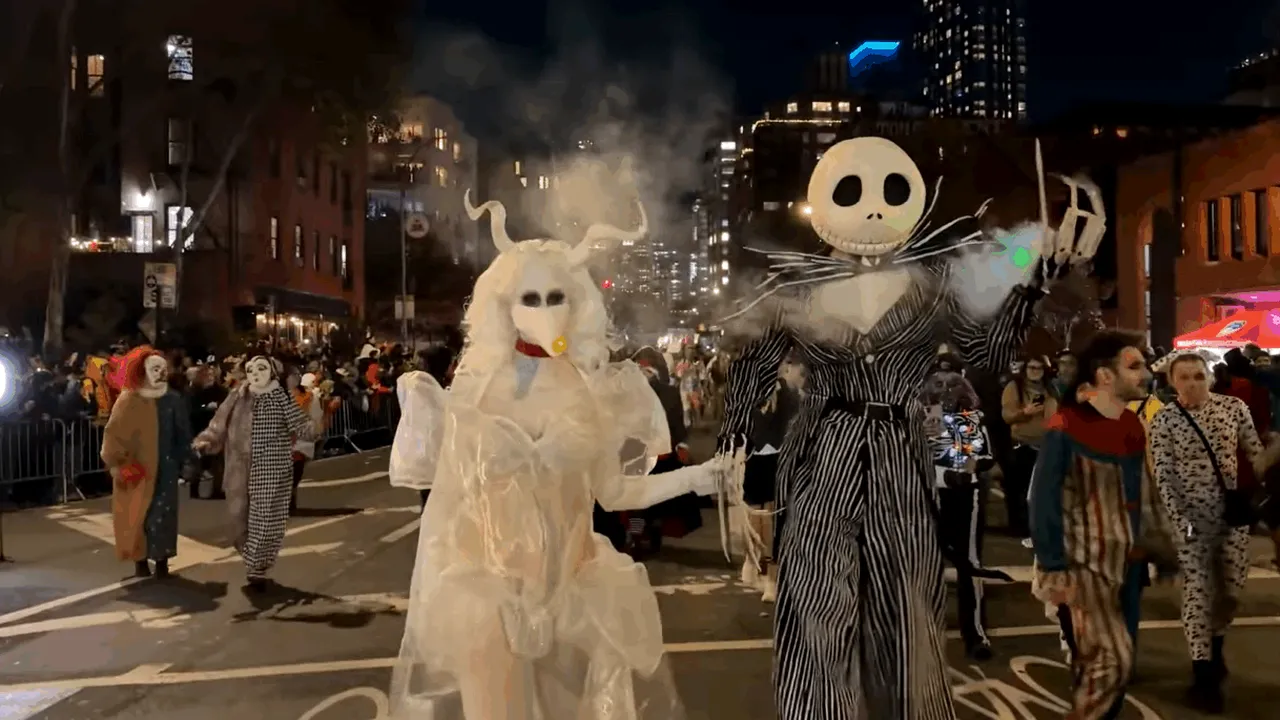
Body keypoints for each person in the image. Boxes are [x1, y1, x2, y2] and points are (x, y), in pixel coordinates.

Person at [716, 137, 1105, 720]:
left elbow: (986, 351)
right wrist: (733, 434)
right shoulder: (795, 287)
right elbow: (755, 360)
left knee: (906, 601)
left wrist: (1033, 285)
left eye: (889, 192)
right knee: (816, 598)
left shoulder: (935, 283)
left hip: (900, 451)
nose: (874, 208)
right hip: (822, 448)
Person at [385, 191, 716, 718]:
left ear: (577, 301)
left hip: (574, 598)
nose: (543, 310)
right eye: (529, 298)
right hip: (487, 596)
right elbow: (446, 503)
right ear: (505, 304)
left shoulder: (595, 391)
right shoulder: (474, 389)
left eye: (555, 297)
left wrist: (697, 478)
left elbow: (616, 492)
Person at [1029, 330, 1174, 720]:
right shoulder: (1066, 426)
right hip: (1083, 565)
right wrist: (1053, 565)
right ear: (1105, 375)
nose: (1146, 374)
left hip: (1127, 564)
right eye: (1134, 366)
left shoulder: (1130, 426)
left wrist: (1158, 544)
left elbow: (1144, 493)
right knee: (1112, 661)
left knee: (1106, 666)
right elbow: (1043, 500)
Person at [1149, 352, 1265, 713]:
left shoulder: (1233, 408)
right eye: (1184, 377)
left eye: (1198, 376)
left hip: (1231, 516)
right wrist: (1180, 521)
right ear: (1172, 382)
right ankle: (1203, 673)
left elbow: (1256, 454)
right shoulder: (1165, 419)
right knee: (1199, 590)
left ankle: (1215, 645)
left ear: (1210, 378)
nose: (1192, 384)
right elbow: (1163, 475)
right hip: (1190, 519)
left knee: (1229, 590)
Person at [193, 355, 316, 591]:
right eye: (251, 369)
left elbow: (301, 426)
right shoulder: (237, 396)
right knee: (238, 520)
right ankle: (253, 559)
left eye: (261, 368)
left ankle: (257, 565)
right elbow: (218, 424)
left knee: (265, 518)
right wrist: (205, 442)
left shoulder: (280, 397)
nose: (256, 373)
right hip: (239, 468)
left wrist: (314, 426)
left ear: (272, 373)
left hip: (272, 468)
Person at [919, 353, 995, 660]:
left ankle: (975, 633)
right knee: (924, 564)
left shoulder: (970, 417)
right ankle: (923, 633)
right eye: (939, 381)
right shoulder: (921, 415)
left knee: (970, 564)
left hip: (964, 496)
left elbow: (984, 456)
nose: (945, 387)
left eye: (951, 381)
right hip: (928, 495)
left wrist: (970, 466)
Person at [101, 346, 192, 579]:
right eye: (154, 369)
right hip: (136, 468)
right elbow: (114, 433)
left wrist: (188, 461)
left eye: (163, 368)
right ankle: (140, 562)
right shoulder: (129, 400)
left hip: (166, 467)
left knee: (164, 516)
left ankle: (162, 562)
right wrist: (117, 462)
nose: (160, 373)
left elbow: (182, 434)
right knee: (136, 516)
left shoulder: (173, 399)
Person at [1001, 355, 1057, 546]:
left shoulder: (1051, 389)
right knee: (1020, 489)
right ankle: (1020, 527)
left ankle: (1037, 527)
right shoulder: (1014, 388)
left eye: (1039, 368)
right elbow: (1007, 416)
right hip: (1022, 445)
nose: (1035, 372)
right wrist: (1025, 412)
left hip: (1046, 445)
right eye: (1032, 368)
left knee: (1040, 491)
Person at [288, 372, 326, 514]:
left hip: (300, 440)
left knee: (295, 469)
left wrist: (314, 431)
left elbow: (316, 418)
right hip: (284, 441)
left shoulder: (310, 398)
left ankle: (290, 499)